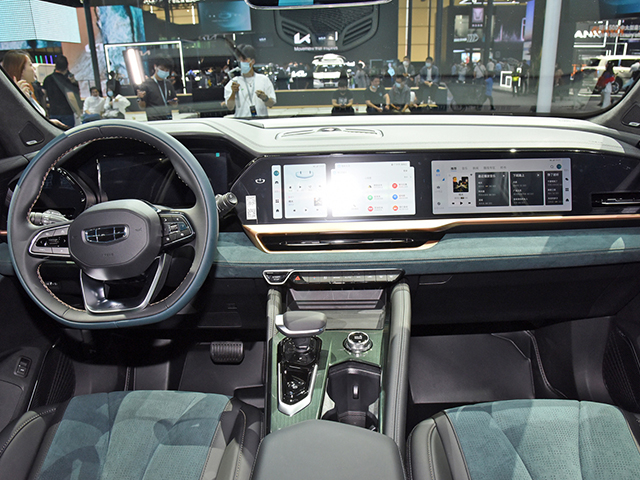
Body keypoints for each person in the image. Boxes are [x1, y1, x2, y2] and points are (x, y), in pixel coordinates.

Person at [224, 44, 276, 118]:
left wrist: (265, 98)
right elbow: (230, 107)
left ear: (252, 61)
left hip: (261, 121)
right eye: (240, 60)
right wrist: (233, 93)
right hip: (241, 122)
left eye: (245, 60)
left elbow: (271, 104)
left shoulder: (264, 80)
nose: (242, 63)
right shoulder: (234, 82)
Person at [1, 50, 46, 116]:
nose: (34, 68)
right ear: (20, 69)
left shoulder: (29, 90)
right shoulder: (9, 98)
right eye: (30, 65)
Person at [43, 55, 82, 128]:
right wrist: (78, 111)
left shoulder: (47, 79)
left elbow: (44, 95)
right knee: (68, 133)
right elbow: (71, 96)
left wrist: (45, 109)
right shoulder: (66, 80)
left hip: (53, 112)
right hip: (67, 113)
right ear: (66, 66)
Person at [136, 54, 179, 121]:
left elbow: (175, 105)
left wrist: (174, 103)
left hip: (168, 119)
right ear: (155, 67)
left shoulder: (168, 84)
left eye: (167, 70)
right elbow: (142, 107)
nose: (164, 71)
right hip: (154, 121)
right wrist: (141, 98)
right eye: (162, 69)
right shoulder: (146, 85)